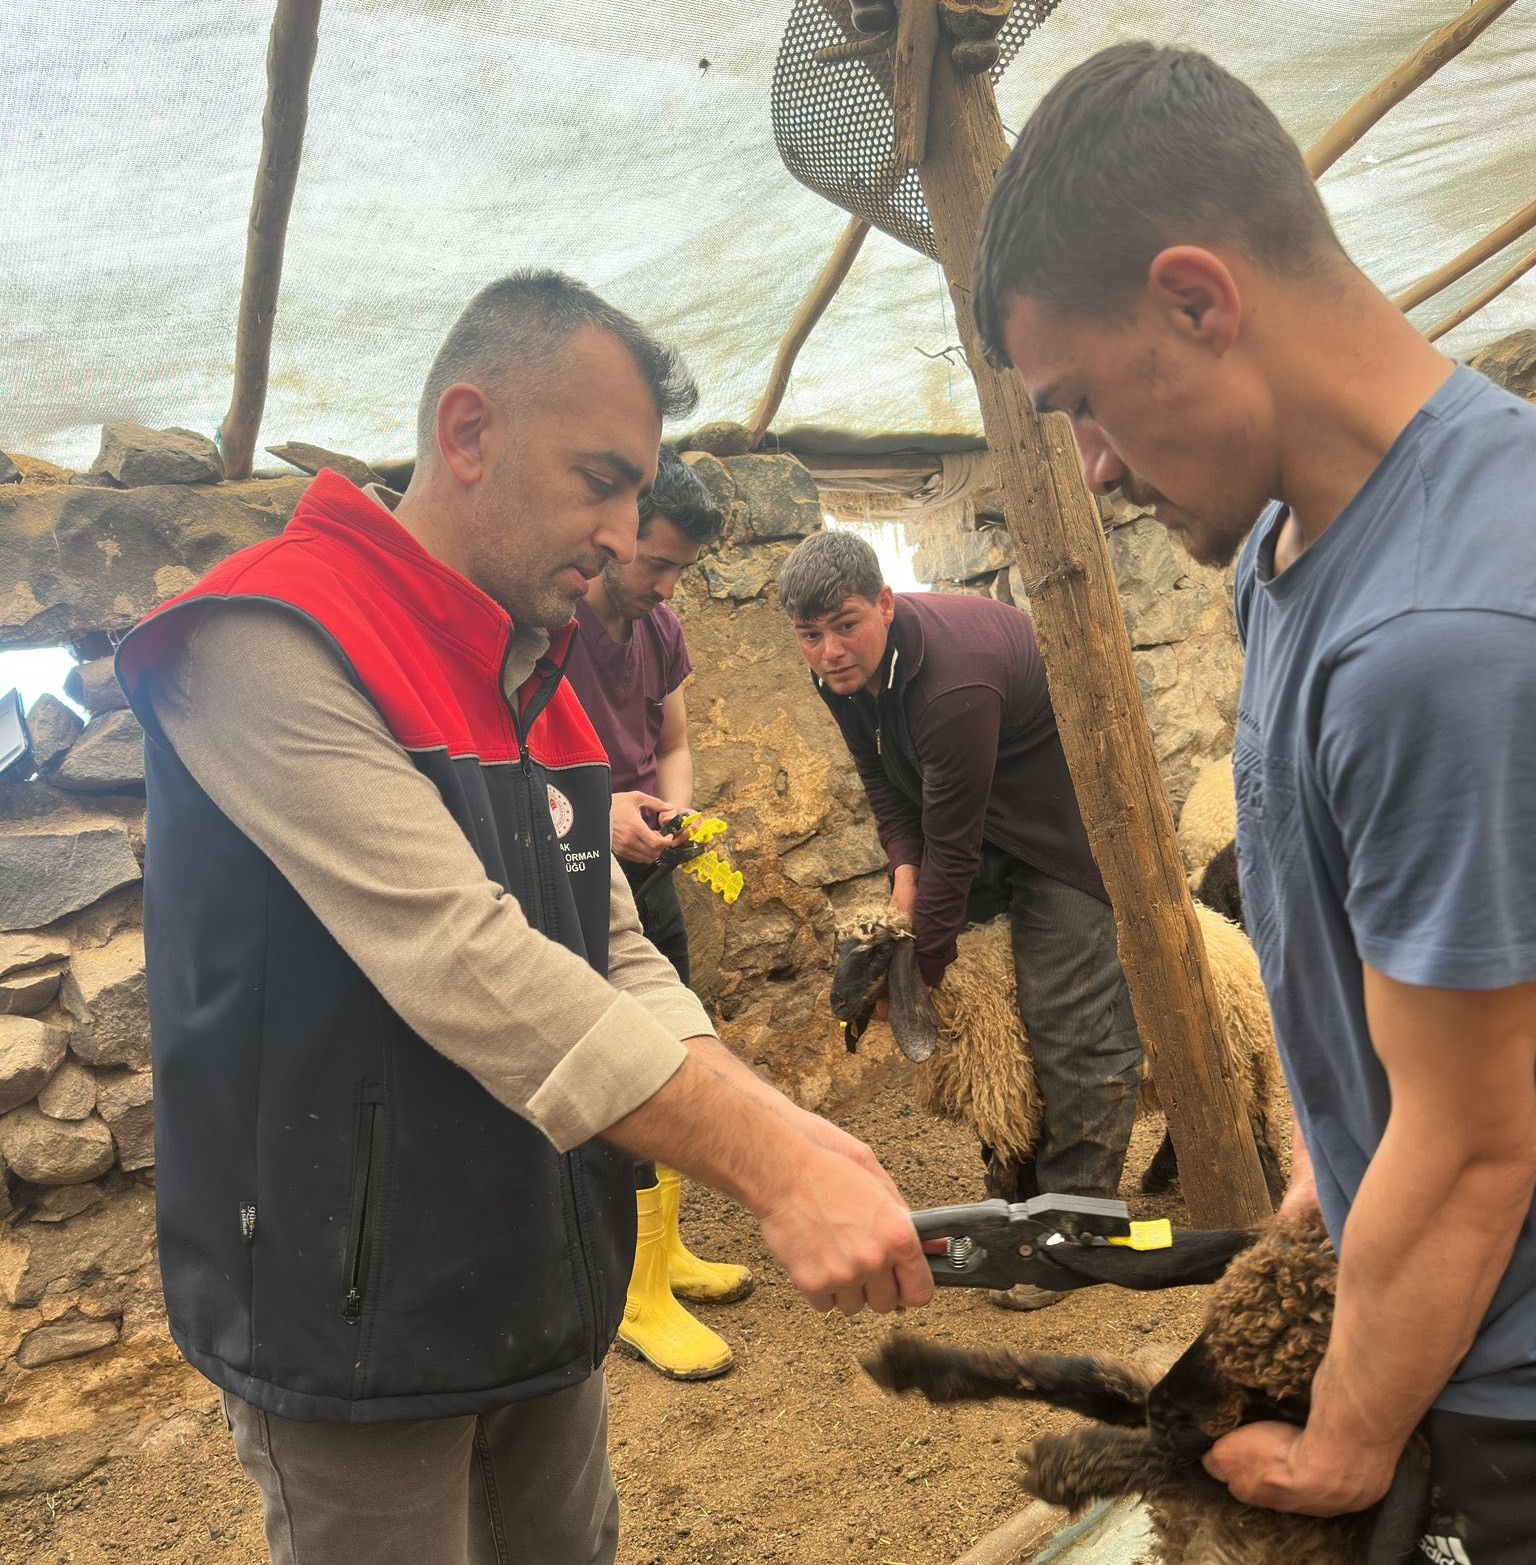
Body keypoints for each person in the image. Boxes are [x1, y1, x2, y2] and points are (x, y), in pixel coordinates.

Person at [114, 270, 931, 1565]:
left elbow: (610, 949)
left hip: (533, 1269)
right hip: (350, 1298)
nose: (624, 531)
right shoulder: (266, 638)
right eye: (600, 478)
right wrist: (775, 1162)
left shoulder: (529, 672)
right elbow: (465, 961)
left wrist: (776, 1117)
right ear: (469, 432)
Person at [973, 42, 1536, 1562]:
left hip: (1503, 1397)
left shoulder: (1448, 641)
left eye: (1082, 402)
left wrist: (1348, 1437)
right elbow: (1405, 968)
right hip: (1424, 1300)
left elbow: (1483, 1136)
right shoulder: (1296, 554)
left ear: (1199, 298)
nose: (1087, 468)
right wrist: (1318, 1186)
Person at [776, 528, 1145, 1308]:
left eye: (845, 624)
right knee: (987, 1024)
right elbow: (888, 792)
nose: (830, 649)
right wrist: (902, 887)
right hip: (970, 823)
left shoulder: (951, 685)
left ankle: (1077, 1229)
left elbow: (953, 839)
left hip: (1058, 828)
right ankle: (1016, 1190)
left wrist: (919, 967)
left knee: (1066, 1015)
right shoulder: (838, 678)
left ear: (884, 601)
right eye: (810, 635)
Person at [565, 446, 752, 1381]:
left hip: (651, 866)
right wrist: (606, 817)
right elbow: (528, 774)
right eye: (657, 562)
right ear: (614, 536)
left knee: (674, 1047)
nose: (667, 584)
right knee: (620, 1072)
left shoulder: (659, 630)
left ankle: (663, 1254)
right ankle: (633, 1298)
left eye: (681, 568)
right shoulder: (551, 627)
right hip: (571, 872)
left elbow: (670, 742)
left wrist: (677, 812)